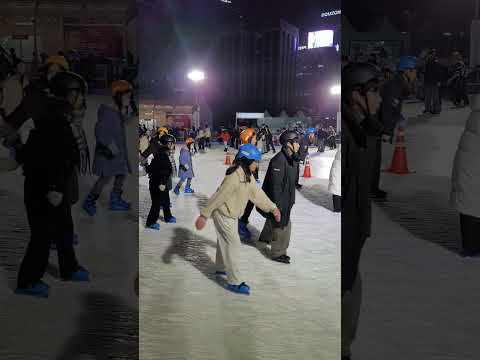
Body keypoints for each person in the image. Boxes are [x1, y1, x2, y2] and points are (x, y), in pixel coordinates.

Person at [15, 71, 91, 298]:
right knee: (42, 235)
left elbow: (64, 156)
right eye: (78, 94)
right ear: (68, 95)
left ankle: (69, 267)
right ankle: (27, 281)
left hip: (56, 187)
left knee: (64, 229)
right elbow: (46, 157)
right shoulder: (52, 120)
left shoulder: (62, 117)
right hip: (45, 189)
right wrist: (53, 188)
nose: (82, 99)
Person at [195, 143, 280, 295]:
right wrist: (204, 215)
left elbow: (257, 194)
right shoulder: (234, 177)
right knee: (233, 244)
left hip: (232, 214)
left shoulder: (247, 176)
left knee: (225, 241)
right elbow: (218, 196)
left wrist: (272, 208)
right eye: (255, 161)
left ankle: (221, 268)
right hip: (222, 213)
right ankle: (234, 281)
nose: (257, 164)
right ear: (247, 161)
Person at [341, 62, 383, 360]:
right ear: (357, 95)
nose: (380, 98)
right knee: (347, 296)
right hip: (346, 239)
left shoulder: (363, 129)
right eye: (374, 91)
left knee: (353, 293)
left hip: (355, 234)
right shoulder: (348, 134)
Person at [82, 80, 133, 216]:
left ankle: (115, 199)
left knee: (121, 174)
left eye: (129, 96)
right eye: (126, 96)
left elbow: (128, 120)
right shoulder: (107, 111)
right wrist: (111, 148)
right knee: (105, 178)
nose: (128, 99)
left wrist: (126, 109)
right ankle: (90, 200)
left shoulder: (117, 110)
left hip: (118, 153)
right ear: (118, 95)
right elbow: (100, 132)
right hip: (109, 153)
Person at [374, 55, 417, 199]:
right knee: (372, 159)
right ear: (406, 71)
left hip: (379, 122)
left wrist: (398, 116)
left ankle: (372, 188)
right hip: (376, 124)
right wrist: (387, 131)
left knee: (375, 159)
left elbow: (394, 107)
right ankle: (370, 189)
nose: (416, 73)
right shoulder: (395, 85)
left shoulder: (400, 83)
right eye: (413, 70)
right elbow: (387, 108)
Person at [255, 130, 300, 264]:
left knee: (273, 219)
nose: (298, 144)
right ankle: (278, 253)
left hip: (287, 198)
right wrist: (277, 207)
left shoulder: (292, 159)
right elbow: (275, 187)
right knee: (283, 225)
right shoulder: (278, 161)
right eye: (295, 142)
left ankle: (264, 239)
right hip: (278, 199)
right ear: (288, 144)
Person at [450, 92, 480, 257]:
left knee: (470, 205)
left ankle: (471, 247)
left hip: (471, 167)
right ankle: (472, 249)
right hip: (473, 169)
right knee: (471, 206)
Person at [142, 133, 177, 229]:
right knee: (156, 204)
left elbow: (156, 169)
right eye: (172, 144)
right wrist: (162, 183)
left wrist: (146, 166)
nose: (173, 146)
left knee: (166, 201)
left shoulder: (162, 154)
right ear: (168, 144)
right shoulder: (162, 155)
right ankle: (150, 222)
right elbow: (165, 171)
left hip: (161, 183)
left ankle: (168, 216)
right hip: (157, 184)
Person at [237, 128, 261, 241]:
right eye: (254, 137)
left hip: (251, 182)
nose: (256, 139)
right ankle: (240, 225)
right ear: (249, 138)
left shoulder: (253, 150)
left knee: (250, 204)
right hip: (244, 185)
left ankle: (243, 222)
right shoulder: (243, 153)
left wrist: (256, 179)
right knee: (244, 205)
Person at [422, 49, 443, 115]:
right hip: (428, 81)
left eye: (433, 54)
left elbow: (438, 71)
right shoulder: (427, 61)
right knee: (428, 96)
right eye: (431, 54)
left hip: (434, 81)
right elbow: (425, 72)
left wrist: (439, 80)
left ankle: (436, 109)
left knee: (435, 96)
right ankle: (428, 109)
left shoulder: (435, 61)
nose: (433, 55)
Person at [329, 144, 341, 212]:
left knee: (336, 190)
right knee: (337, 191)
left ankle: (337, 208)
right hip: (337, 173)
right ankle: (337, 209)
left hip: (336, 173)